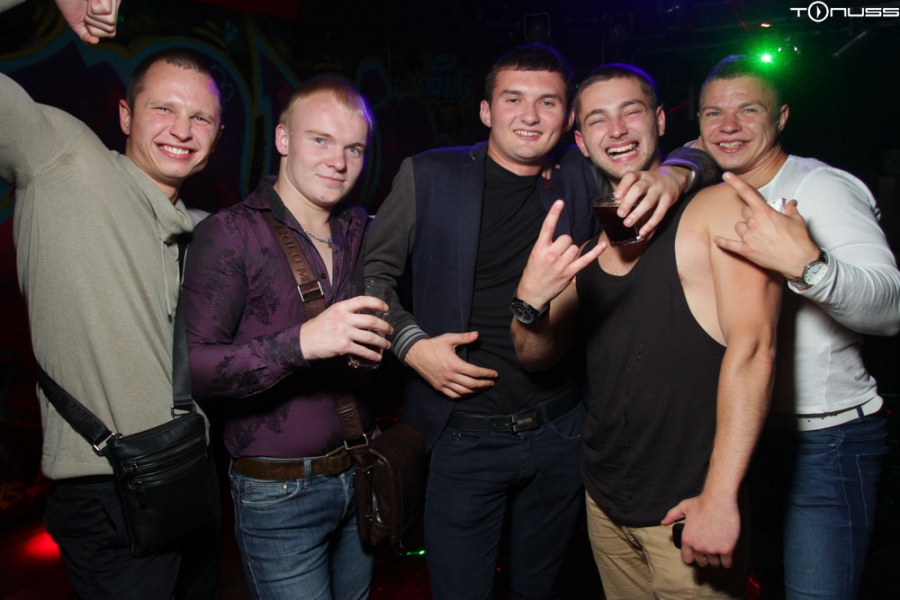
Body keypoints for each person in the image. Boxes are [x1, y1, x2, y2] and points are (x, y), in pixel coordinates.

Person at [364, 44, 715, 600]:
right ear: (486, 110)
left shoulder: (581, 170)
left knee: (542, 589)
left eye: (547, 102)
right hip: (463, 435)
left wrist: (675, 175)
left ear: (568, 119)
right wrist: (411, 346)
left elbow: (706, 146)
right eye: (513, 100)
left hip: (561, 431)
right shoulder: (429, 174)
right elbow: (372, 275)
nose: (530, 116)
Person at [510, 63, 782, 599]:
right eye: (597, 120)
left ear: (659, 121)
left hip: (687, 511)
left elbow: (755, 350)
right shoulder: (592, 243)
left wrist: (720, 496)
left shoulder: (717, 208)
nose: (616, 130)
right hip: (605, 503)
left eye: (630, 112)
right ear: (581, 142)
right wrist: (529, 302)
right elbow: (534, 355)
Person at [1, 3, 224, 598]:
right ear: (126, 114)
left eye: (201, 117)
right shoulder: (62, 159)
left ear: (217, 136)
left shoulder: (208, 233)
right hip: (106, 496)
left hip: (194, 481)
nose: (182, 130)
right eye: (163, 109)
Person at [700, 55, 900, 599]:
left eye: (748, 110)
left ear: (781, 117)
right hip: (745, 439)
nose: (729, 126)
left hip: (824, 442)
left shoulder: (822, 188)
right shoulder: (709, 193)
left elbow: (891, 310)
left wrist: (809, 269)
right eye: (714, 113)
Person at [182, 76, 388, 600]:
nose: (338, 162)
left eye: (353, 148)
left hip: (361, 471)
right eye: (320, 140)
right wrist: (301, 343)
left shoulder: (363, 229)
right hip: (278, 493)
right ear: (283, 139)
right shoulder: (230, 233)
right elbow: (194, 368)